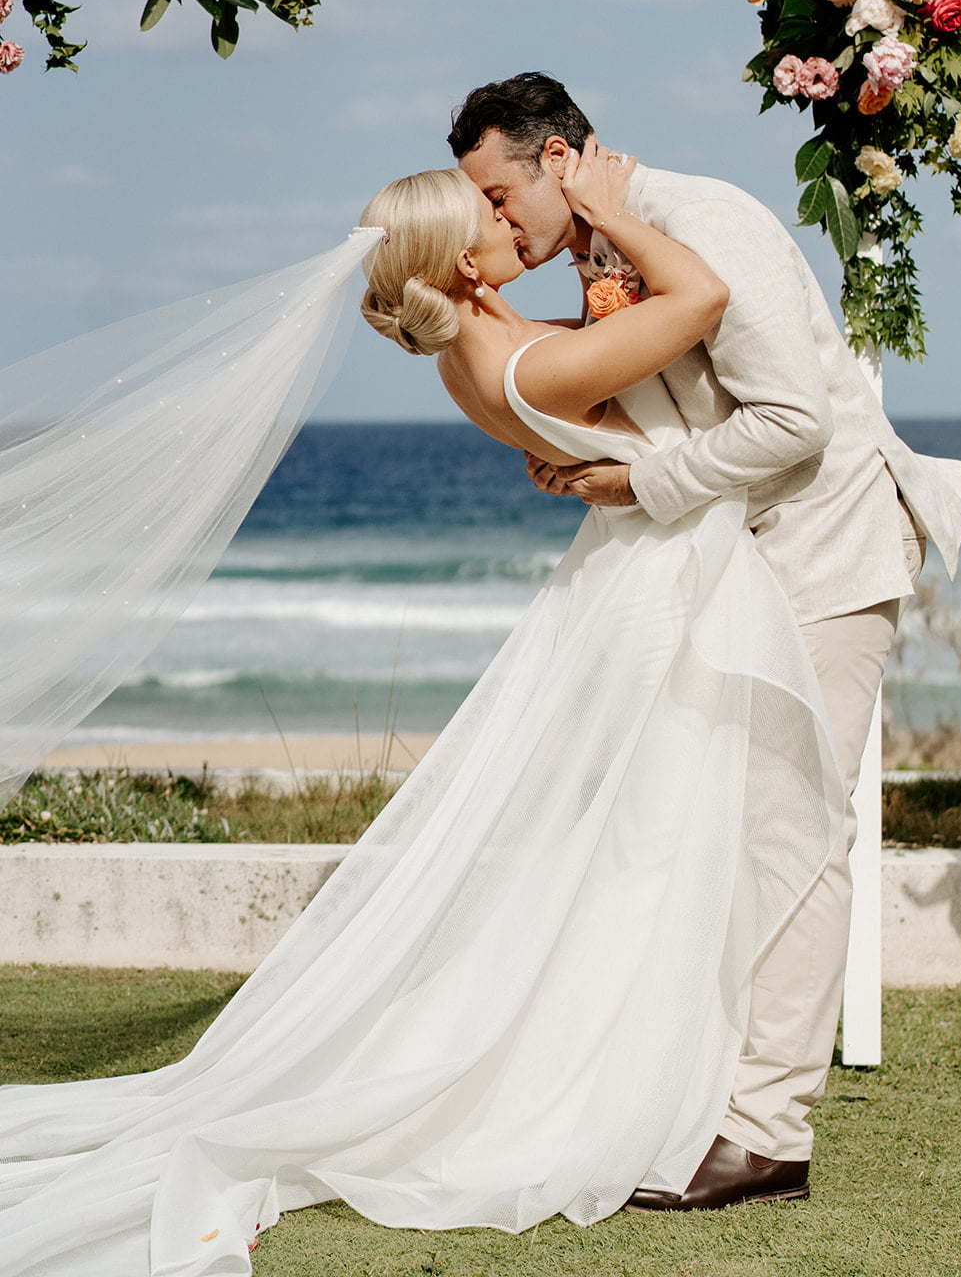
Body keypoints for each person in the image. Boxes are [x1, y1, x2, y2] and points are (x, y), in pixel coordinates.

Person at [0, 158, 842, 1274]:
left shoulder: (476, 354)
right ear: (462, 261)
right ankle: (626, 1076)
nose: (506, 219)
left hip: (634, 576)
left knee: (646, 839)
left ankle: (669, 1061)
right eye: (487, 214)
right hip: (659, 586)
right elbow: (703, 298)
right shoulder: (530, 360)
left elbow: (616, 349)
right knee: (656, 842)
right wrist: (607, 215)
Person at [448, 71, 961, 1211]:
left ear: (559, 159)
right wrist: (583, 444)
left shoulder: (703, 218)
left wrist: (640, 481)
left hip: (821, 556)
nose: (492, 221)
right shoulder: (598, 249)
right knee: (709, 829)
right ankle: (699, 1087)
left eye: (496, 195)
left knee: (795, 836)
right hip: (733, 566)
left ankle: (768, 1133)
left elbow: (793, 422)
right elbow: (679, 390)